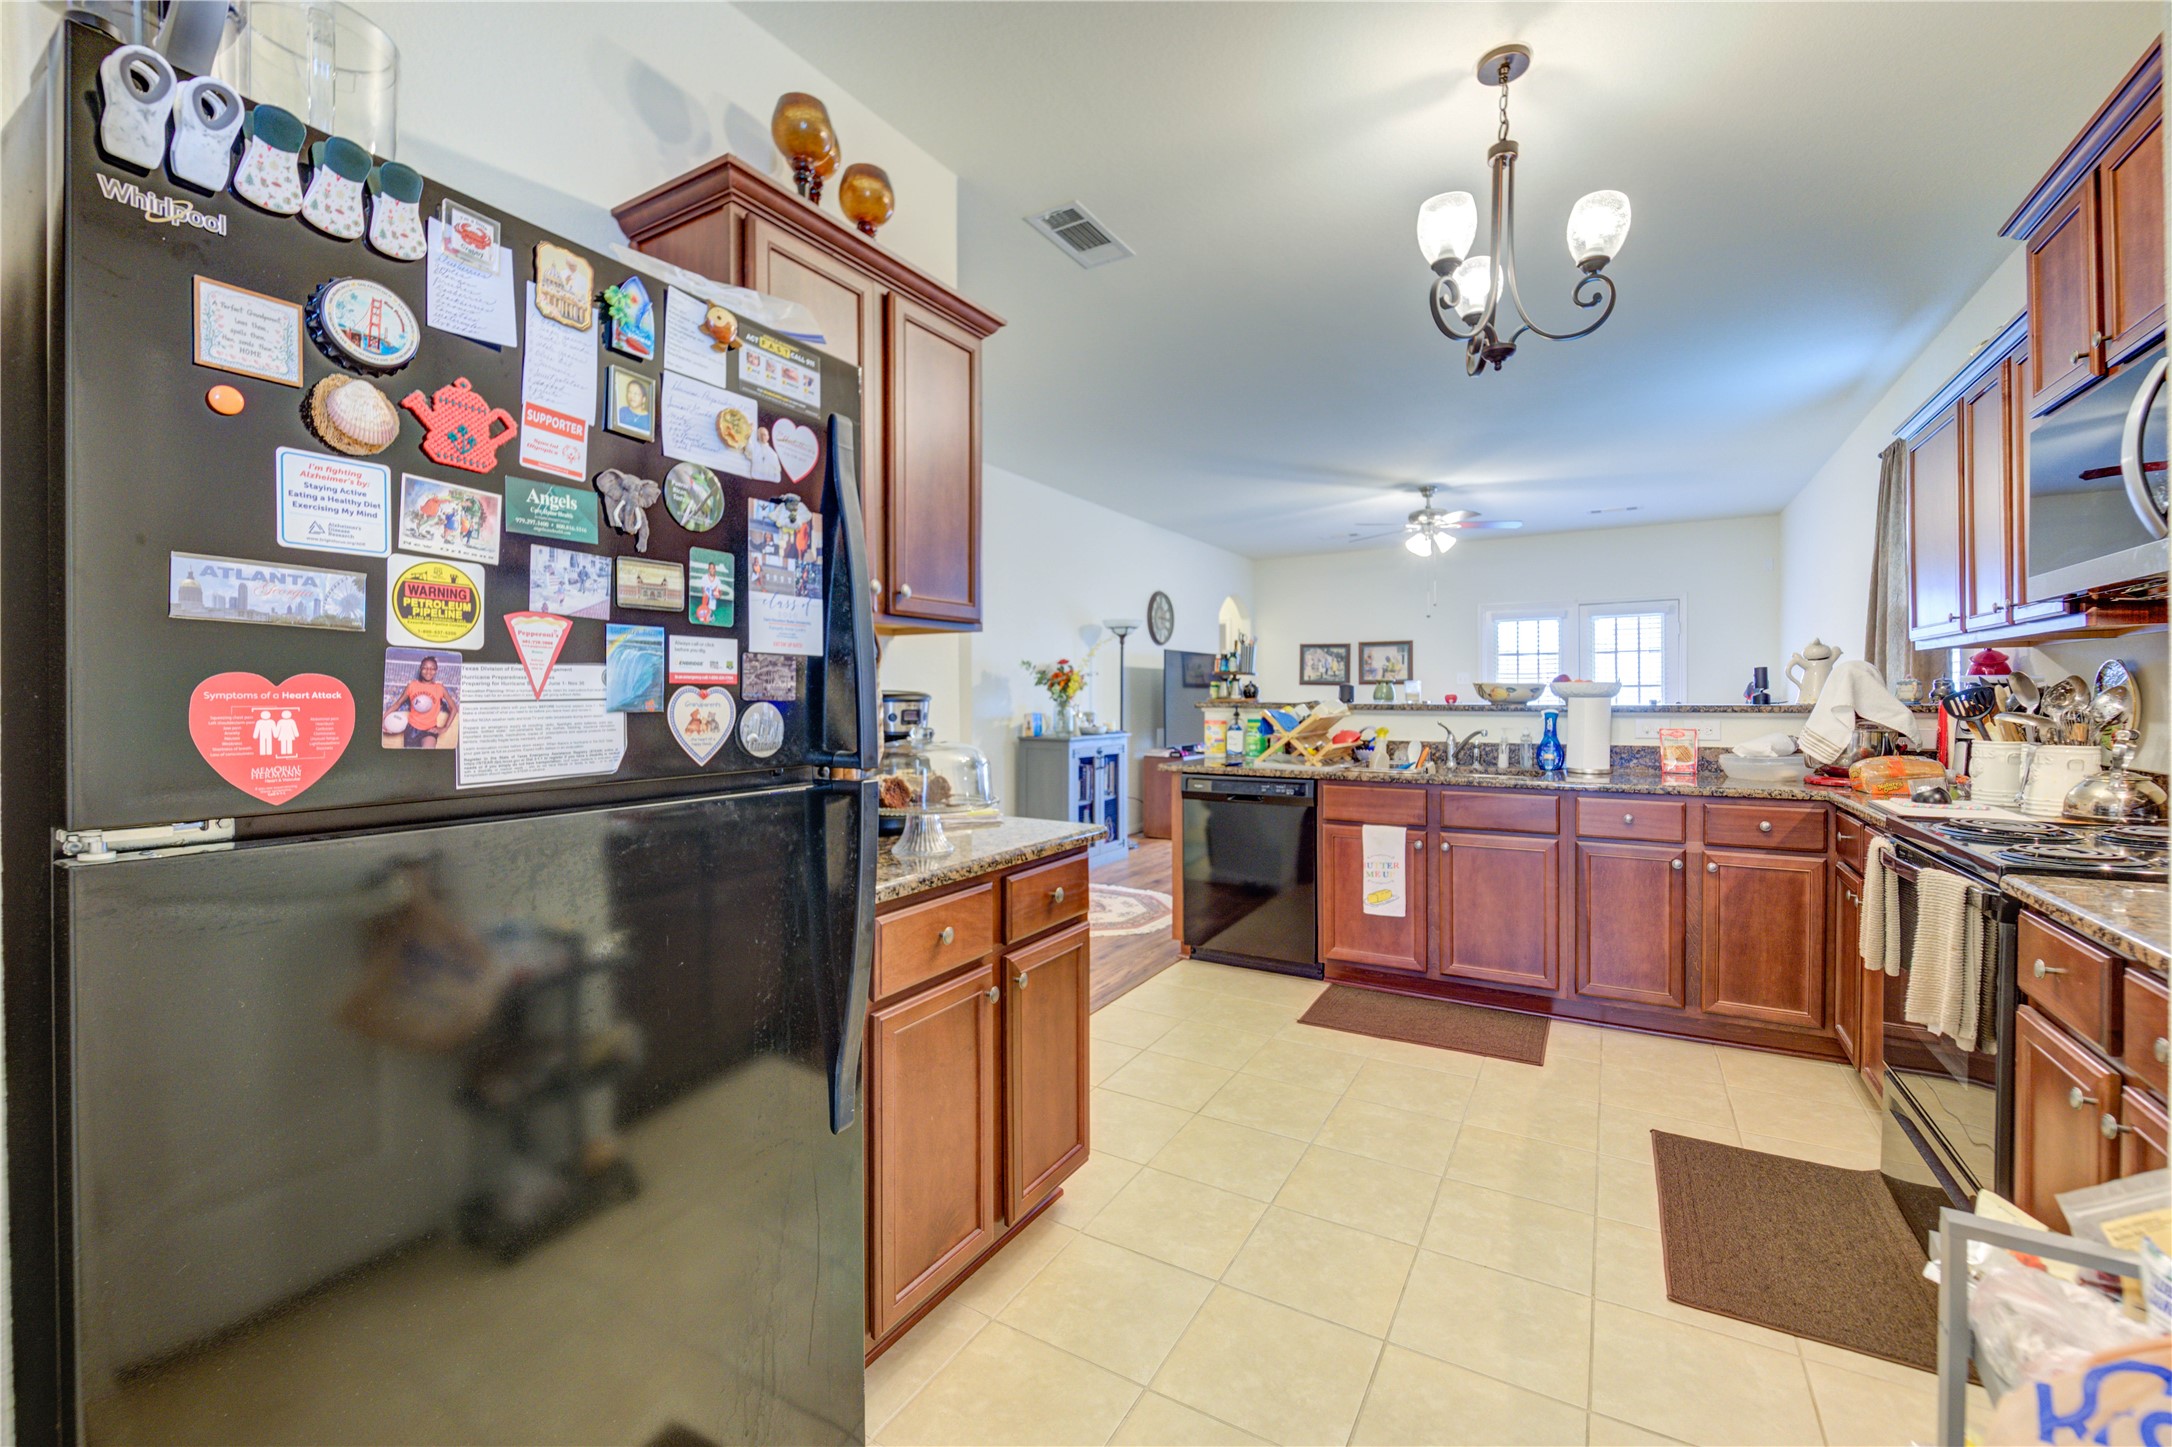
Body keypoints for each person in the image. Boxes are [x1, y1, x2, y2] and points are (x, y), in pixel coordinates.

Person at [385, 654, 458, 748]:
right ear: (420, 669)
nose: (428, 671)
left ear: (436, 671)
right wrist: (383, 719)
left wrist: (445, 728)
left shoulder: (439, 688)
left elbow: (454, 709)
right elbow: (398, 704)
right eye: (425, 668)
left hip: (430, 730)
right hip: (412, 730)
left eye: (432, 668)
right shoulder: (412, 685)